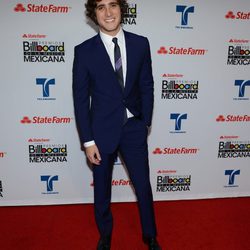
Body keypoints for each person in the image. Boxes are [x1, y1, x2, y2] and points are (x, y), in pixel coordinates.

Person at [73, 0, 161, 249]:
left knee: (143, 185)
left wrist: (145, 121)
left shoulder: (140, 43)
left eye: (113, 5)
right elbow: (80, 100)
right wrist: (88, 141)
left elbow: (147, 85)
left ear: (122, 9)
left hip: (133, 127)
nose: (108, 12)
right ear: (94, 14)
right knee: (101, 189)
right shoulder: (84, 51)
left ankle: (150, 235)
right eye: (101, 7)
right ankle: (105, 234)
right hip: (100, 132)